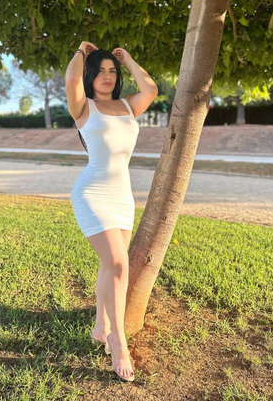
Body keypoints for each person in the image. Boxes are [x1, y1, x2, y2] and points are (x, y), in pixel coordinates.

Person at [65, 41, 158, 382]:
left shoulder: (128, 105)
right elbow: (71, 79)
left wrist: (127, 59)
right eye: (100, 70)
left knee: (110, 264)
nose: (107, 76)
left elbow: (150, 89)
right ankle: (118, 342)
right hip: (92, 194)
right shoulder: (83, 107)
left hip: (122, 197)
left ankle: (100, 325)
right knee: (119, 264)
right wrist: (81, 52)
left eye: (112, 71)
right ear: (90, 75)